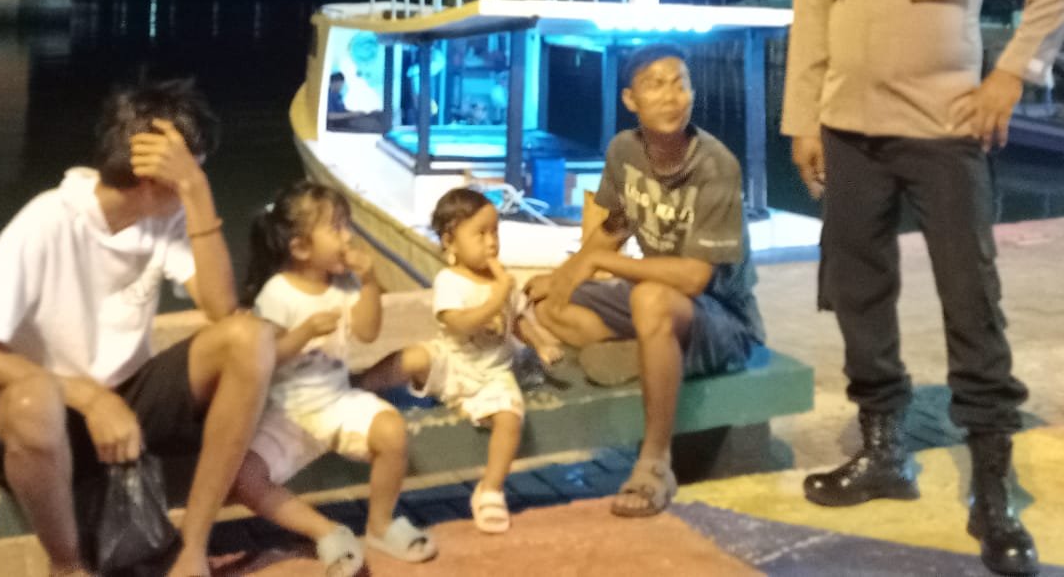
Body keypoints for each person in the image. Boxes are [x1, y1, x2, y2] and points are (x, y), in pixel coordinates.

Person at [782, 0, 1064, 577]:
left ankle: (993, 489)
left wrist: (1012, 73)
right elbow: (811, 13)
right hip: (849, 133)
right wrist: (802, 122)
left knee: (970, 302)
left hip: (944, 132)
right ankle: (883, 452)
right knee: (858, 295)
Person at [0, 78, 273, 577]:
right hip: (42, 419)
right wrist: (89, 397)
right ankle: (67, 565)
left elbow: (222, 308)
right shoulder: (46, 221)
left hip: (126, 403)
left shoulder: (164, 220)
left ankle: (191, 548)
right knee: (35, 401)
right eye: (192, 169)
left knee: (250, 340)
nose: (196, 180)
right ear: (154, 177)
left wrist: (199, 197)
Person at [526, 43, 765, 517]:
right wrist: (562, 277)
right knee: (548, 306)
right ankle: (650, 353)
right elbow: (614, 227)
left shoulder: (716, 166)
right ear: (630, 99)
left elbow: (693, 278)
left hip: (724, 320)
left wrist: (606, 264)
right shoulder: (625, 150)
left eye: (680, 83)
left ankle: (656, 461)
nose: (671, 96)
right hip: (655, 301)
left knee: (651, 299)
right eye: (655, 85)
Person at [235, 181, 438, 570]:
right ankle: (325, 531)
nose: (348, 237)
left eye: (347, 225)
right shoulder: (277, 293)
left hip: (337, 400)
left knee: (392, 430)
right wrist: (304, 334)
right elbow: (265, 357)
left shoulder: (343, 284)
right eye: (336, 228)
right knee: (244, 476)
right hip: (286, 413)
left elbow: (367, 331)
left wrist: (371, 282)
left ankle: (380, 525)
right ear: (300, 248)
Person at [358, 188, 565, 534]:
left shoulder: (503, 281)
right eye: (480, 234)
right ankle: (361, 384)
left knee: (510, 418)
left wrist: (542, 344)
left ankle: (491, 489)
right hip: (452, 360)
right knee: (412, 357)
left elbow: (519, 321)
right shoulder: (450, 280)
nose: (491, 242)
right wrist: (497, 295)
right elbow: (460, 324)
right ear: (450, 242)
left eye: (495, 231)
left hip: (492, 372)